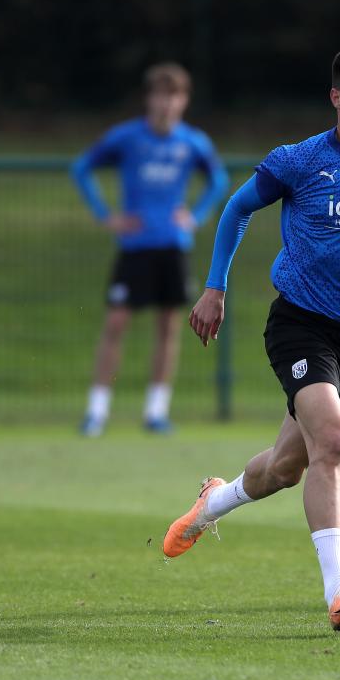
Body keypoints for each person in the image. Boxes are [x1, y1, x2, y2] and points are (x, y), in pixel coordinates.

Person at [161, 46, 340, 633]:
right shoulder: (298, 161)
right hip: (300, 323)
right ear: (338, 97)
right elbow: (236, 211)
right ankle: (339, 590)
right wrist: (215, 287)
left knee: (288, 467)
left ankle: (211, 504)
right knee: (337, 444)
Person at [72, 62, 229, 437]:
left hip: (172, 246)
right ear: (149, 99)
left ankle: (156, 411)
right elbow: (82, 168)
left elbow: (218, 179)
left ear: (184, 101)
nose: (166, 104)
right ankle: (97, 411)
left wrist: (196, 215)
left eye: (174, 96)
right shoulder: (126, 138)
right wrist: (105, 215)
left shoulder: (192, 142)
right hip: (134, 245)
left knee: (168, 327)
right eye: (160, 95)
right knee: (116, 324)